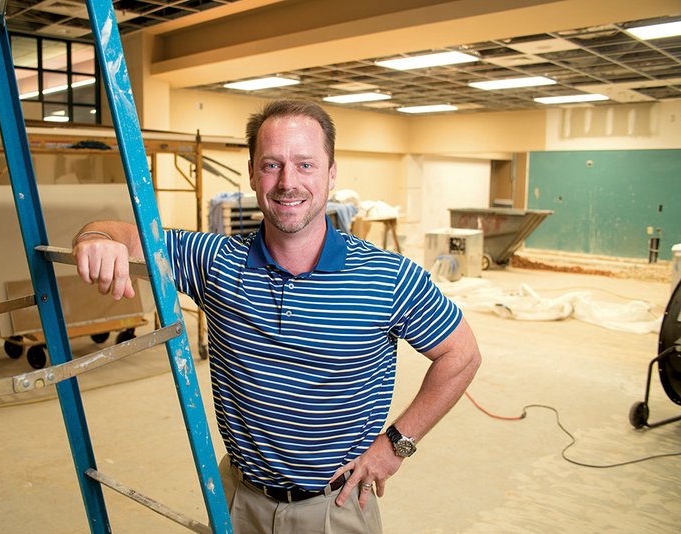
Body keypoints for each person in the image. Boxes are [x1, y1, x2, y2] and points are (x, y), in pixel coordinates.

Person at [72, 99, 482, 533]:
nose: (288, 182)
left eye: (306, 165)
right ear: (252, 172)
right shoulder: (215, 262)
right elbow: (126, 233)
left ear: (331, 172)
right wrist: (97, 238)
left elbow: (462, 355)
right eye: (272, 164)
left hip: (333, 507)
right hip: (238, 502)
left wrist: (396, 445)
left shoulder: (387, 277)